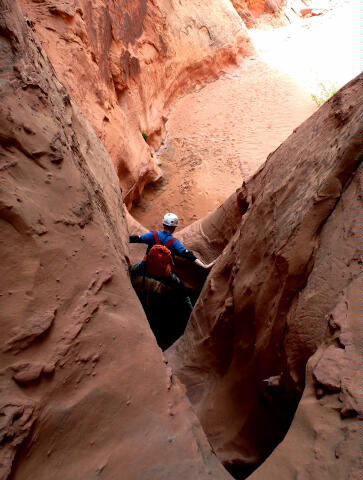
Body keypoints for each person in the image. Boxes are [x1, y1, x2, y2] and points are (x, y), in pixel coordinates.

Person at [129, 212, 215, 314]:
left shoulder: (153, 235)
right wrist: (204, 266)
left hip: (145, 268)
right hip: (164, 274)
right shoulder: (174, 243)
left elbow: (137, 239)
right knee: (182, 289)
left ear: (163, 224)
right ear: (174, 227)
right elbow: (187, 255)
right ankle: (191, 313)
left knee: (129, 270)